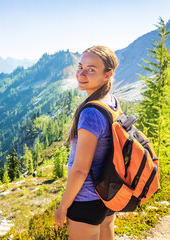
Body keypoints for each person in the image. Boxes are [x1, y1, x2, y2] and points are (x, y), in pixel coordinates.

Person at [54, 45, 118, 240]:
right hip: (107, 192)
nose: (81, 74)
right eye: (80, 66)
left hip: (86, 199)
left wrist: (63, 207)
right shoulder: (111, 101)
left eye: (91, 69)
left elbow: (81, 169)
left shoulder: (91, 112)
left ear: (108, 75)